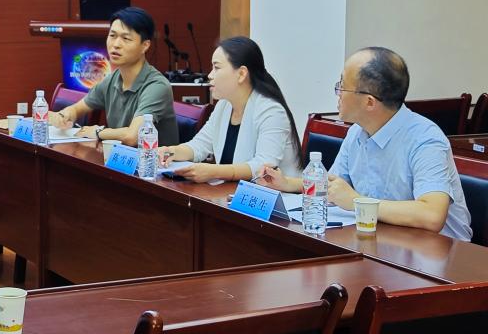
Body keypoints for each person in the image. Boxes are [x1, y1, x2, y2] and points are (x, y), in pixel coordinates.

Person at [261, 47, 472, 241]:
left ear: (369, 102)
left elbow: (432, 216)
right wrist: (288, 184)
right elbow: (334, 187)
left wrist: (357, 202)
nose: (338, 93)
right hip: (385, 239)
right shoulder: (357, 132)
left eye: (342, 87)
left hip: (441, 254)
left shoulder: (425, 139)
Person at [156, 36, 305, 183]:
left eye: (217, 68)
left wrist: (214, 171)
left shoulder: (271, 111)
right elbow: (200, 145)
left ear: (241, 74)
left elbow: (264, 167)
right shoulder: (224, 105)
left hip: (274, 196)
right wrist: (171, 151)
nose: (210, 75)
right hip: (231, 192)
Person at [51, 6, 177, 146]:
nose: (116, 45)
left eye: (126, 38)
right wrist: (66, 115)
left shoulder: (157, 86)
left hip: (151, 159)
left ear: (145, 45)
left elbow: (133, 136)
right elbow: (77, 108)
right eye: (112, 36)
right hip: (119, 157)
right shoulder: (112, 79)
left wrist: (98, 132)